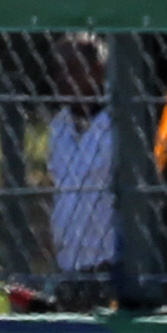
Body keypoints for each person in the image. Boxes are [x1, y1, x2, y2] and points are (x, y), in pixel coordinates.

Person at [45, 66, 115, 303]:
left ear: (99, 72)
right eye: (59, 70)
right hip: (68, 263)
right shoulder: (59, 125)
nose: (65, 78)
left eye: (75, 69)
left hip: (107, 264)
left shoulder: (117, 125)